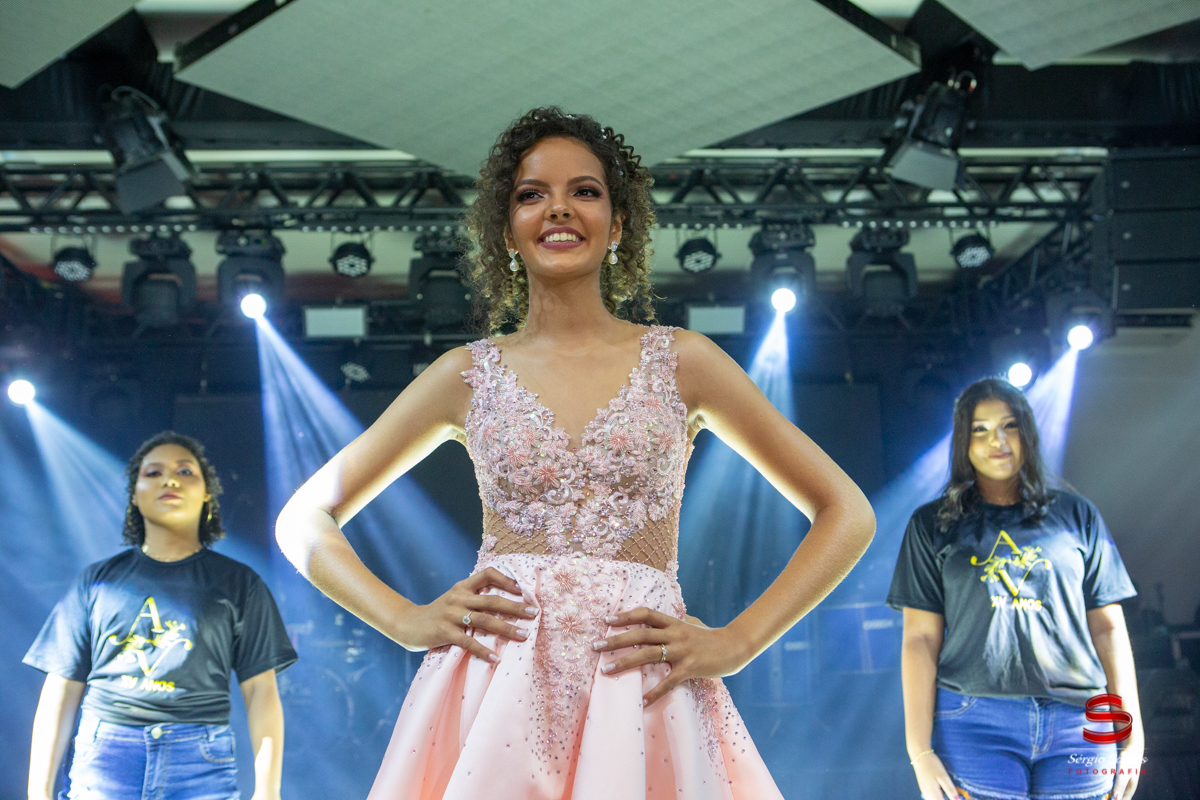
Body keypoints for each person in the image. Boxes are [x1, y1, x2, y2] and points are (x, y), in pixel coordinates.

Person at [274, 107, 876, 799]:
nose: (558, 208)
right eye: (532, 194)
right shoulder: (466, 375)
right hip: (496, 694)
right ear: (507, 232)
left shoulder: (684, 362)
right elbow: (302, 520)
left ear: (617, 226)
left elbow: (848, 513)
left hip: (642, 688)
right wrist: (404, 620)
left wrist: (739, 642)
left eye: (584, 191)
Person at [888, 378, 1142, 800]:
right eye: (980, 429)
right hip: (973, 722)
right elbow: (919, 640)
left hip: (1082, 723)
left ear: (1027, 433)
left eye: (1009, 425)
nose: (997, 440)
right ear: (963, 441)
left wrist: (1133, 736)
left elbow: (1109, 629)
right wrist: (919, 749)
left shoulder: (1078, 515)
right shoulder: (931, 524)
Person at [25, 431, 297, 800]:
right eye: (153, 473)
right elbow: (61, 686)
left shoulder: (240, 584)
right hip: (105, 757)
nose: (169, 480)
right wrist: (38, 792)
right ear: (134, 495)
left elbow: (261, 689)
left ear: (207, 493)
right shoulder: (96, 581)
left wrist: (268, 791)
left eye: (185, 471)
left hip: (200, 762)